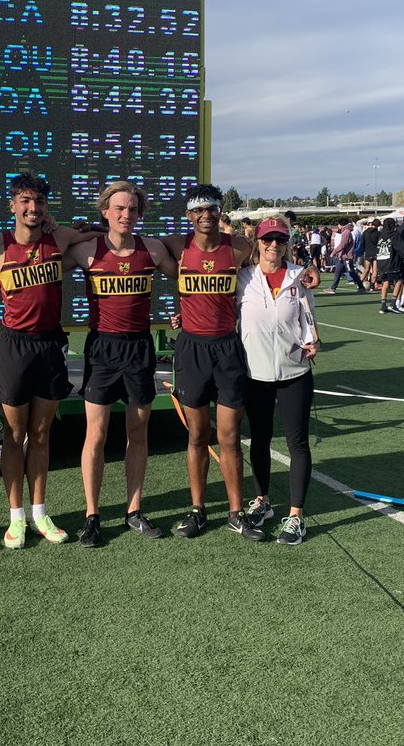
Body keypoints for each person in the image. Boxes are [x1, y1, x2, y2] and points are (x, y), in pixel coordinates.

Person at [0, 174, 98, 549]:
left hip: (49, 346)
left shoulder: (58, 239)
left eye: (40, 202)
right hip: (13, 347)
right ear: (12, 205)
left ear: (47, 207)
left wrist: (60, 226)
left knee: (41, 434)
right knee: (14, 435)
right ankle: (15, 518)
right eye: (25, 201)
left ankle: (40, 512)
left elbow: (97, 233)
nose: (32, 208)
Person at [69, 181, 178, 547]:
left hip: (139, 349)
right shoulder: (86, 249)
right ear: (105, 211)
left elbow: (189, 275)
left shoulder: (152, 249)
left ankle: (133, 510)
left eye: (132, 209)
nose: (125, 215)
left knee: (138, 433)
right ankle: (92, 515)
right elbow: (42, 258)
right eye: (118, 208)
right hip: (101, 348)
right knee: (95, 436)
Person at [162, 184, 265, 541]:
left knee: (230, 436)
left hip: (227, 348)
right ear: (189, 215)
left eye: (212, 209)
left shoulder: (237, 248)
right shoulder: (176, 247)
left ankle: (237, 513)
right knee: (196, 435)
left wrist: (305, 270)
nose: (206, 215)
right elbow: (126, 240)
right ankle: (198, 510)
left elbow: (272, 254)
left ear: (220, 213)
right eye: (199, 210)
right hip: (191, 349)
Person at [239, 218, 321, 545]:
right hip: (255, 375)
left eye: (280, 239)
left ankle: (296, 515)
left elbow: (310, 319)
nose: (274, 245)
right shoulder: (243, 278)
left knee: (297, 443)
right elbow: (222, 315)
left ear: (287, 242)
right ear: (257, 242)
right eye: (268, 239)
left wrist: (315, 341)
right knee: (259, 440)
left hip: (295, 373)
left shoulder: (299, 278)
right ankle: (262, 501)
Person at [324, 218, 365, 294]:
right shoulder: (345, 232)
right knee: (338, 272)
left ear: (341, 224)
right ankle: (333, 288)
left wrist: (334, 252)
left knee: (351, 272)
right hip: (342, 257)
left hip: (347, 257)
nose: (337, 226)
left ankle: (361, 287)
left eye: (338, 224)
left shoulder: (346, 232)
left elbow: (343, 244)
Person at [376, 217, 400, 313]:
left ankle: (383, 304)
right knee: (398, 281)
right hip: (391, 262)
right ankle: (393, 303)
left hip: (381, 262)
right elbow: (399, 248)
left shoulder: (381, 236)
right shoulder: (394, 235)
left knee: (385, 283)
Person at [360, 218, 381, 290]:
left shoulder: (365, 232)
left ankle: (360, 283)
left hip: (368, 253)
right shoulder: (378, 233)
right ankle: (372, 286)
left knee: (366, 269)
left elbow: (362, 243)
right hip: (376, 253)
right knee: (375, 271)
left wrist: (364, 250)